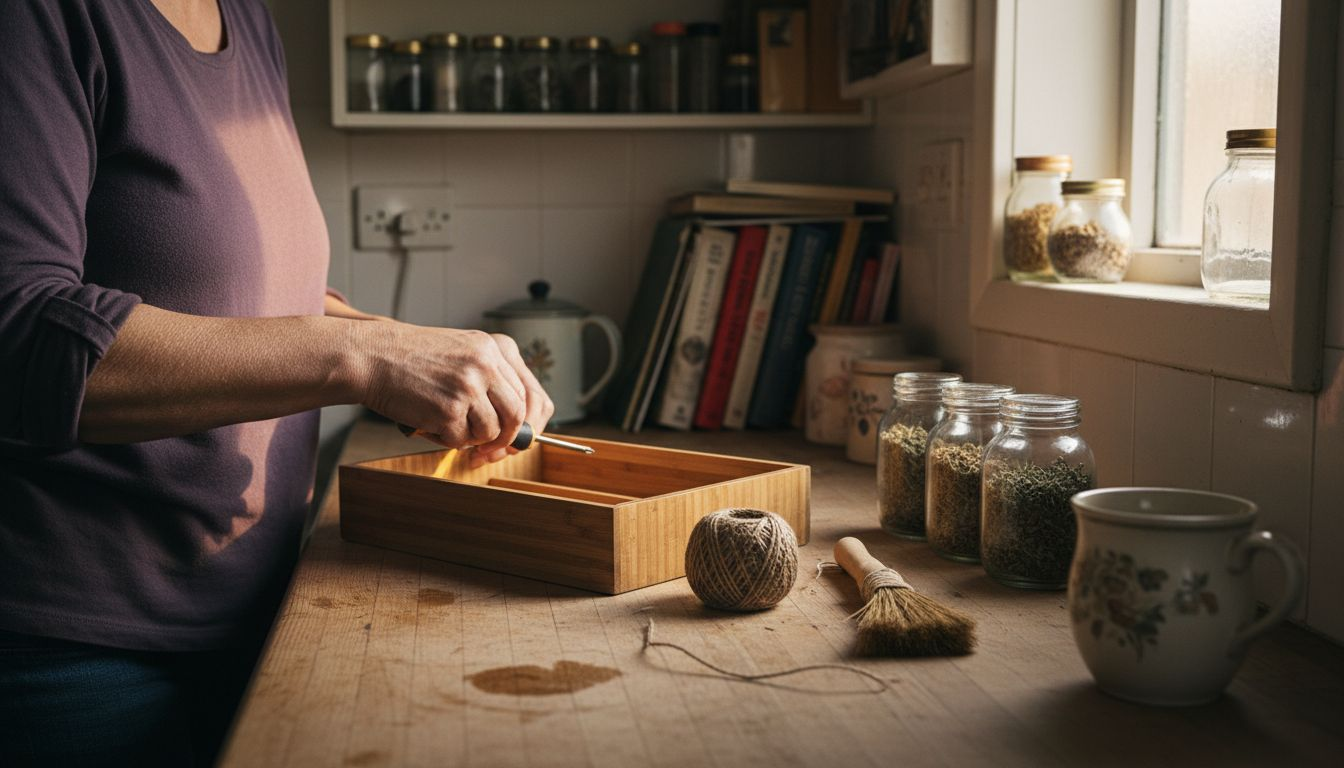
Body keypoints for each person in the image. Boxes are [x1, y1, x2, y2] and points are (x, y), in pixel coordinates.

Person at [0, 1, 554, 764]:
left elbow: (260, 295)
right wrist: (369, 359)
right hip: (78, 647)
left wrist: (407, 352)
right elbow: (20, 329)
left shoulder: (248, 19)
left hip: (260, 600)